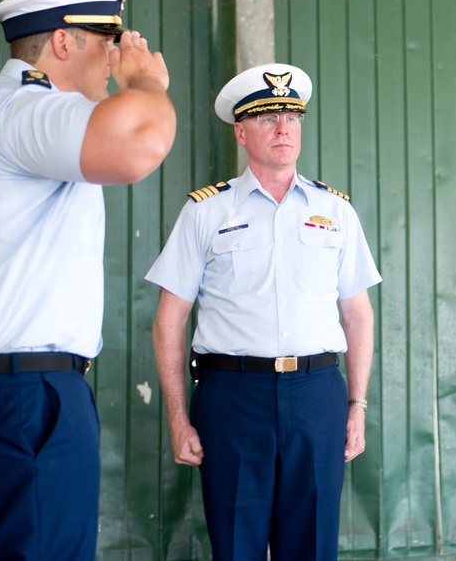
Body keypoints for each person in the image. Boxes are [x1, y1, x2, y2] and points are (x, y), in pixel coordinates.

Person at [0, 0, 176, 560]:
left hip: (0, 391)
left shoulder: (12, 113)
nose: (114, 61)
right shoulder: (23, 108)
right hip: (16, 397)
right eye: (107, 43)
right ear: (63, 43)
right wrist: (147, 84)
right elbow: (140, 139)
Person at [147, 63, 381, 560]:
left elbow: (358, 315)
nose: (282, 128)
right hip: (232, 397)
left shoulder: (336, 211)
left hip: (317, 394)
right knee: (236, 547)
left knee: (313, 546)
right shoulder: (206, 212)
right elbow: (170, 321)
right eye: (268, 116)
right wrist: (176, 418)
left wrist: (356, 406)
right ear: (241, 131)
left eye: (292, 117)